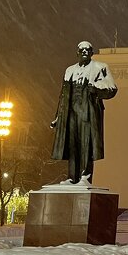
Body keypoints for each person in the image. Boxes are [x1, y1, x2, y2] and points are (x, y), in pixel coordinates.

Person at [50, 41, 118, 185]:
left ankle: (85, 176)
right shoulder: (69, 71)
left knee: (86, 145)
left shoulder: (100, 67)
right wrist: (58, 117)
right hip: (71, 112)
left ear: (92, 53)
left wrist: (97, 90)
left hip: (89, 112)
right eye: (82, 50)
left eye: (88, 50)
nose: (85, 52)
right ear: (77, 53)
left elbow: (112, 89)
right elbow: (63, 96)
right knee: (73, 145)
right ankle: (72, 177)